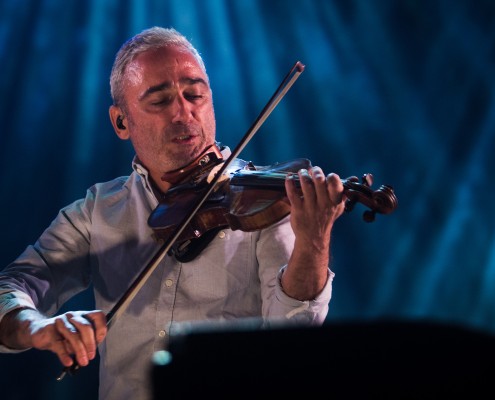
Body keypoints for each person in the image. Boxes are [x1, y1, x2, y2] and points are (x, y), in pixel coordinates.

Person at [0, 26, 346, 400]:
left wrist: (312, 241)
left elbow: (293, 340)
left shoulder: (261, 201)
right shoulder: (97, 211)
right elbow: (13, 286)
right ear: (121, 122)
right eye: (161, 101)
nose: (184, 112)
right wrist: (36, 327)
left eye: (195, 95)